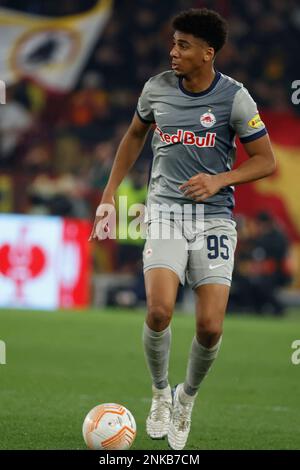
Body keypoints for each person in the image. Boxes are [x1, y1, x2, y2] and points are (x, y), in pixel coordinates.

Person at [89, 8, 276, 450]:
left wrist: (219, 179)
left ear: (207, 53)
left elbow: (267, 161)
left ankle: (185, 398)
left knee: (210, 327)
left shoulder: (235, 98)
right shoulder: (156, 88)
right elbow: (135, 135)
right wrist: (109, 193)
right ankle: (158, 393)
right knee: (159, 311)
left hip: (213, 219)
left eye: (184, 46)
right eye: (173, 43)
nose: (173, 52)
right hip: (166, 214)